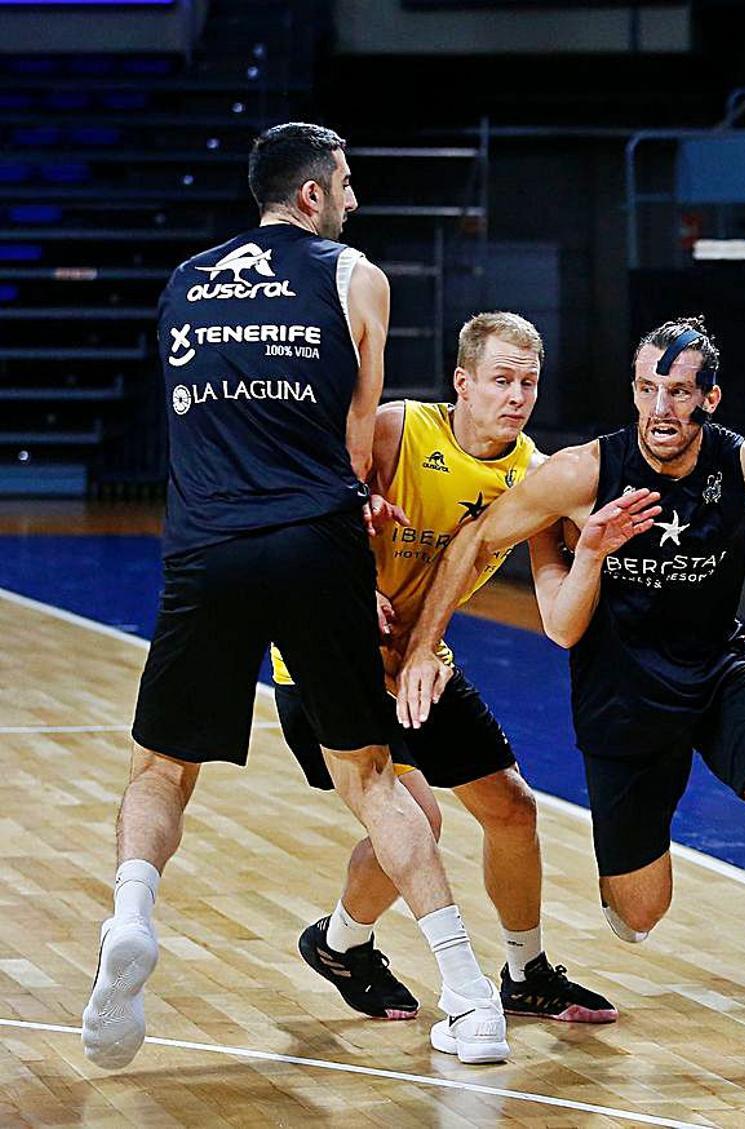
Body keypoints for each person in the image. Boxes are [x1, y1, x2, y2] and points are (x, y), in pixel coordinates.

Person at [398, 315, 745, 1054]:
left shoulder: (744, 465)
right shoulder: (583, 472)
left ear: (709, 398)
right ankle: (627, 869)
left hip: (718, 676)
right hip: (622, 698)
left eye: (680, 392)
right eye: (647, 389)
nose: (661, 408)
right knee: (640, 914)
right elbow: (473, 539)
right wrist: (423, 645)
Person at [82, 122, 508, 1071]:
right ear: (311, 195)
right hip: (315, 542)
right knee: (373, 778)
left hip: (208, 544)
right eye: (345, 183)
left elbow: (200, 420)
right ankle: (471, 997)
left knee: (161, 769)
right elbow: (357, 442)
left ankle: (132, 914)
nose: (353, 198)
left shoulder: (184, 281)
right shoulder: (356, 276)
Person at [271, 311, 617, 1025]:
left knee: (512, 808)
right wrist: (347, 587)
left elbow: (555, 598)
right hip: (326, 658)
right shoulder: (395, 430)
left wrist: (595, 560)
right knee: (418, 817)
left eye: (528, 383)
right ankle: (351, 945)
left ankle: (523, 971)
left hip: (420, 661)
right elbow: (299, 506)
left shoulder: (537, 477)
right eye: (500, 380)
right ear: (462, 382)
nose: (516, 397)